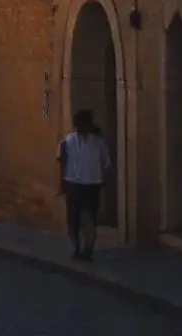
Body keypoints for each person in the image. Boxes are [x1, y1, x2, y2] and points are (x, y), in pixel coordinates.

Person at [57, 109, 111, 261]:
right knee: (73, 220)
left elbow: (106, 164)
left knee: (89, 217)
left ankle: (88, 248)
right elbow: (62, 162)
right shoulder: (68, 142)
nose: (81, 129)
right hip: (73, 183)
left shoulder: (99, 143)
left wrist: (102, 183)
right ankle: (76, 248)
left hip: (92, 184)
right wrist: (61, 184)